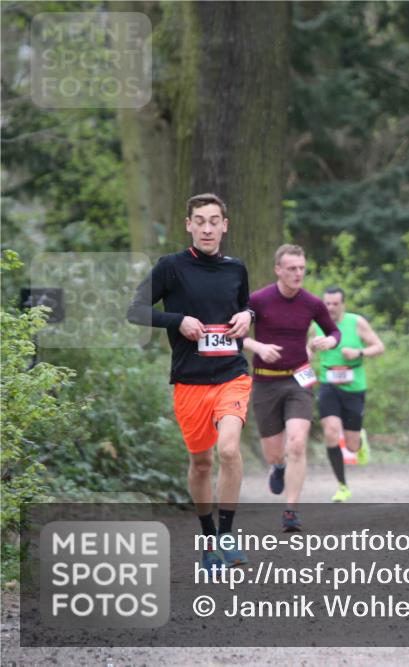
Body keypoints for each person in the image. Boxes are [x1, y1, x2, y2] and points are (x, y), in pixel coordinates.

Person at [127, 192, 254, 572]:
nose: (207, 229)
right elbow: (135, 310)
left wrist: (248, 315)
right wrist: (177, 320)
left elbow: (243, 309)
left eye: (214, 221)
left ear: (224, 226)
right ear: (189, 225)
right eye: (200, 221)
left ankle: (227, 536)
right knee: (201, 463)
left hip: (232, 374)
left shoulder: (236, 269)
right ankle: (209, 540)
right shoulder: (171, 267)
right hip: (190, 381)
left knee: (228, 450)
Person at [242, 245, 340, 532]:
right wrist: (258, 346)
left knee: (297, 444)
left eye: (302, 268)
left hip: (299, 380)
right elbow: (233, 332)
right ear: (278, 270)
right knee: (275, 453)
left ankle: (291, 511)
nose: (298, 273)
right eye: (292, 268)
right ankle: (278, 467)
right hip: (265, 381)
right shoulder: (258, 300)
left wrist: (330, 341)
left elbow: (333, 330)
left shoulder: (312, 303)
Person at [309, 286, 385, 502]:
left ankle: (359, 441)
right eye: (327, 304)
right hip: (328, 384)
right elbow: (308, 351)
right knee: (331, 431)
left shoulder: (356, 322)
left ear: (343, 304)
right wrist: (311, 348)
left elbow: (379, 347)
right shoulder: (316, 325)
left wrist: (358, 352)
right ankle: (342, 486)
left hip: (354, 387)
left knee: (351, 445)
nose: (330, 308)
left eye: (335, 304)